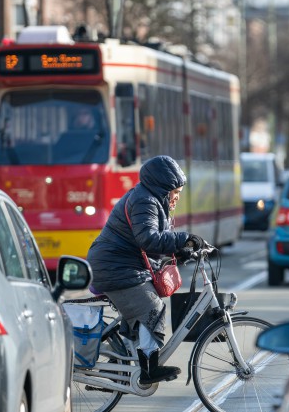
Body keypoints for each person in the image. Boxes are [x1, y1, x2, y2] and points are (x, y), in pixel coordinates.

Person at [87, 155, 207, 385]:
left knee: (144, 306)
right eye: (175, 192)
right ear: (163, 188)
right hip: (115, 267)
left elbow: (149, 242)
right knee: (154, 307)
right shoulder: (145, 201)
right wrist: (184, 238)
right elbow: (148, 239)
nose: (177, 197)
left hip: (121, 264)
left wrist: (182, 251)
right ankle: (149, 369)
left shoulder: (149, 199)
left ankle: (124, 365)